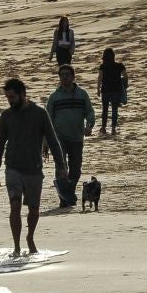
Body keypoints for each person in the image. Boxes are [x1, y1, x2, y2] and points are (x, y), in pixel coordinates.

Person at [0, 79, 66, 257]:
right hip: (13, 168)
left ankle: (30, 237)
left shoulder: (40, 114)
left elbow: (53, 141)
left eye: (12, 97)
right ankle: (16, 246)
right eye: (7, 97)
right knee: (15, 204)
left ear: (22, 94)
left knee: (33, 209)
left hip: (34, 169)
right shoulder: (6, 116)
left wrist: (61, 165)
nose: (9, 100)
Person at [47, 64, 96, 209]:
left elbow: (90, 112)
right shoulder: (54, 97)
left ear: (73, 76)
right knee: (61, 167)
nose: (64, 77)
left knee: (76, 169)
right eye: (62, 74)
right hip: (58, 138)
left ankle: (68, 192)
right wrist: (45, 140)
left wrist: (89, 125)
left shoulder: (82, 94)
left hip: (76, 137)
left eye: (67, 74)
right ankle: (64, 198)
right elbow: (47, 118)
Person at [97, 47, 128, 134]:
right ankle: (113, 128)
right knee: (115, 110)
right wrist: (124, 85)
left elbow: (100, 78)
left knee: (105, 110)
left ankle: (103, 128)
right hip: (116, 90)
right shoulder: (120, 66)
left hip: (105, 90)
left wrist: (98, 89)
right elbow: (126, 77)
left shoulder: (102, 66)